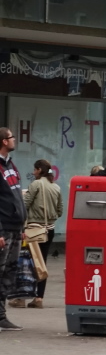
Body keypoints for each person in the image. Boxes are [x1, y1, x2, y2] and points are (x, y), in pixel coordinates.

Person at [15, 159, 62, 309]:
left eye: (34, 170)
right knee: (42, 263)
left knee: (26, 263)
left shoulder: (35, 185)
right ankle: (39, 297)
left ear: (39, 170)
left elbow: (25, 205)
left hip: (34, 229)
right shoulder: (56, 187)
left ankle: (21, 298)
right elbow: (60, 210)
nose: (33, 172)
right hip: (50, 229)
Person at [0, 127, 25, 331]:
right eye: (11, 137)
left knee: (10, 270)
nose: (14, 139)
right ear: (3, 141)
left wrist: (22, 224)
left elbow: (16, 195)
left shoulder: (11, 165)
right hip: (4, 227)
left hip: (16, 227)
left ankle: (1, 316)